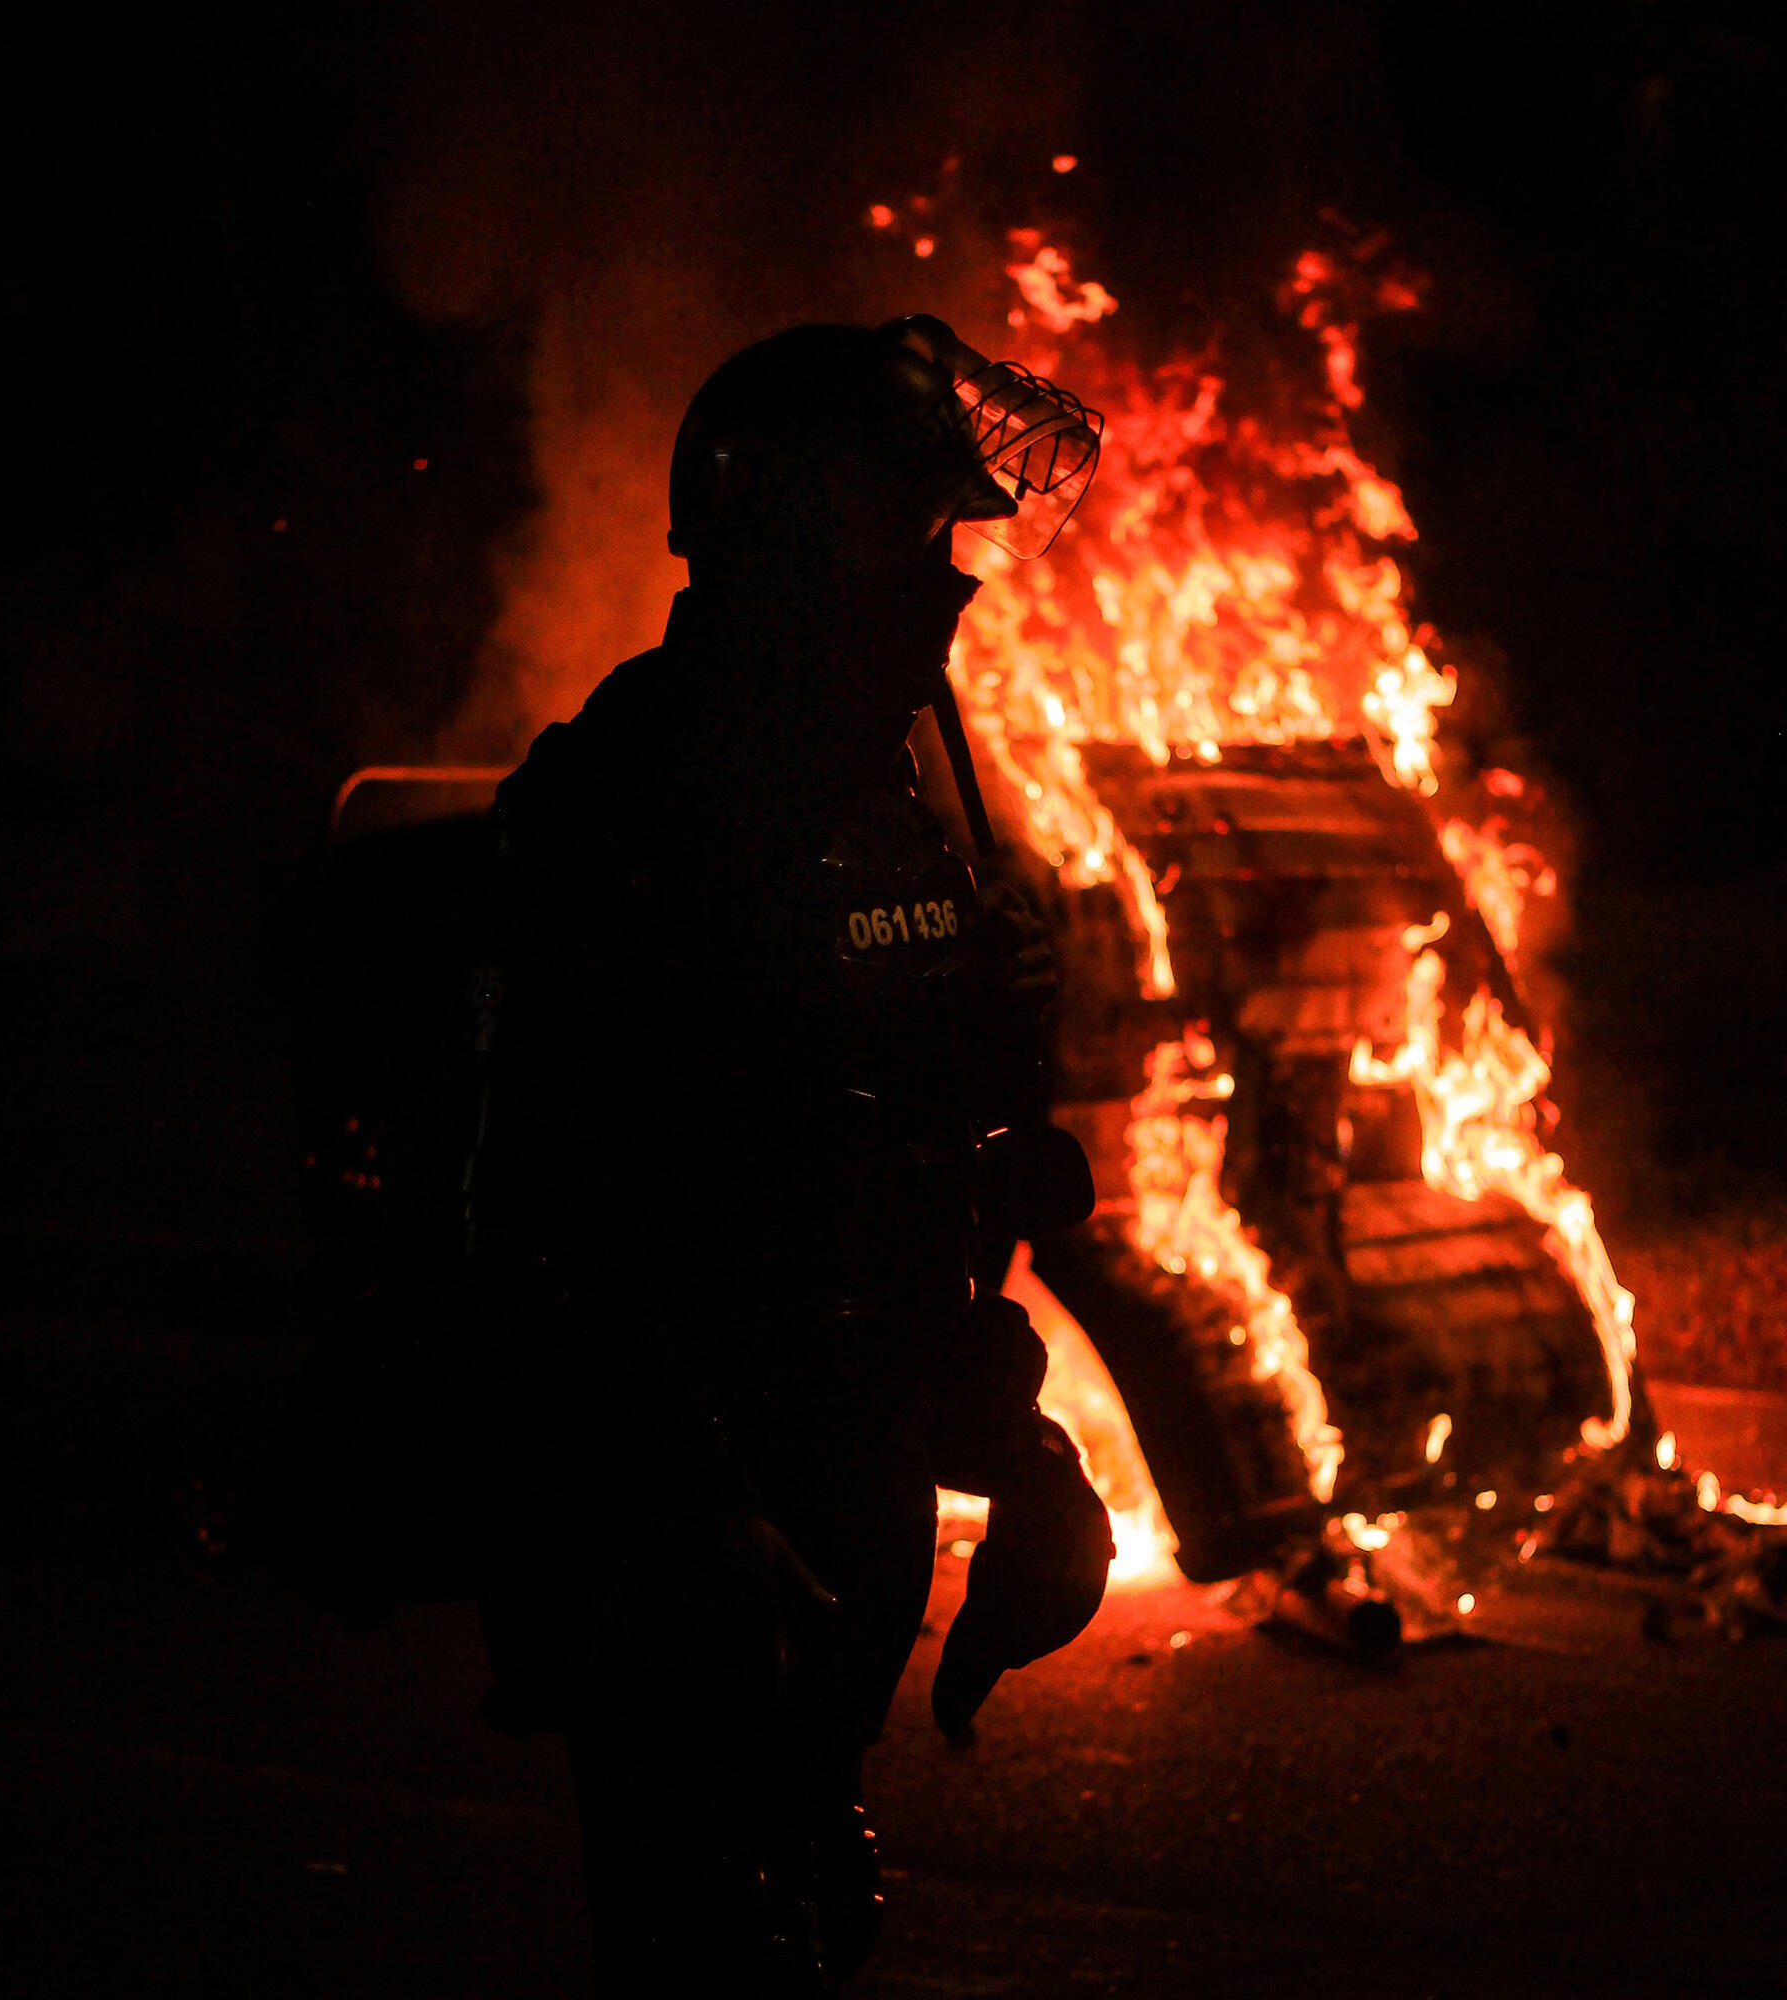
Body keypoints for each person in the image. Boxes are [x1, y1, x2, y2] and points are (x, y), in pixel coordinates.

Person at [466, 315, 1115, 1993]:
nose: (953, 590)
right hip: (688, 1488)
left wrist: (1010, 1430)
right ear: (792, 544)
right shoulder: (637, 801)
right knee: (700, 1930)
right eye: (915, 539)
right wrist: (682, 1499)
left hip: (850, 1460)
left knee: (806, 1896)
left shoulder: (898, 789)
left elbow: (914, 1149)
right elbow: (558, 1195)